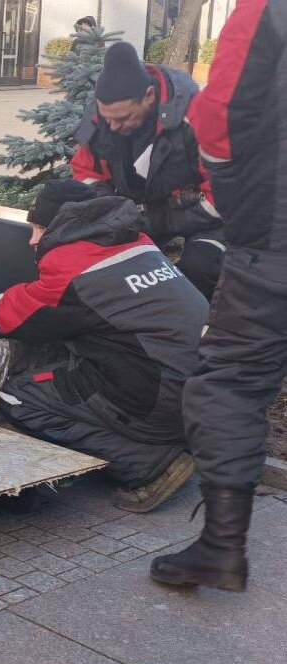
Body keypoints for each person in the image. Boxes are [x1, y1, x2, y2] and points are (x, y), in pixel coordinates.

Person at [0, 180, 209, 512]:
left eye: (38, 228)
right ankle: (176, 437)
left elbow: (8, 315)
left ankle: (149, 464)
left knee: (19, 397)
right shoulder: (136, 242)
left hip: (158, 397)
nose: (31, 239)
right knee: (77, 367)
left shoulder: (76, 267)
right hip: (205, 393)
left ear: (64, 224)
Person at [150, 0, 287, 593]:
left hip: (275, 241)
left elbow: (219, 116)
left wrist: (237, 206)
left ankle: (222, 548)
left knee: (228, 380)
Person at [71, 41, 226, 300]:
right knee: (104, 266)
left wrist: (159, 219)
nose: (113, 126)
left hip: (204, 218)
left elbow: (222, 196)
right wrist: (108, 209)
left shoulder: (197, 116)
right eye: (107, 118)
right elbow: (85, 173)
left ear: (149, 97)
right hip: (139, 212)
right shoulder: (104, 119)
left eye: (123, 118)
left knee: (200, 268)